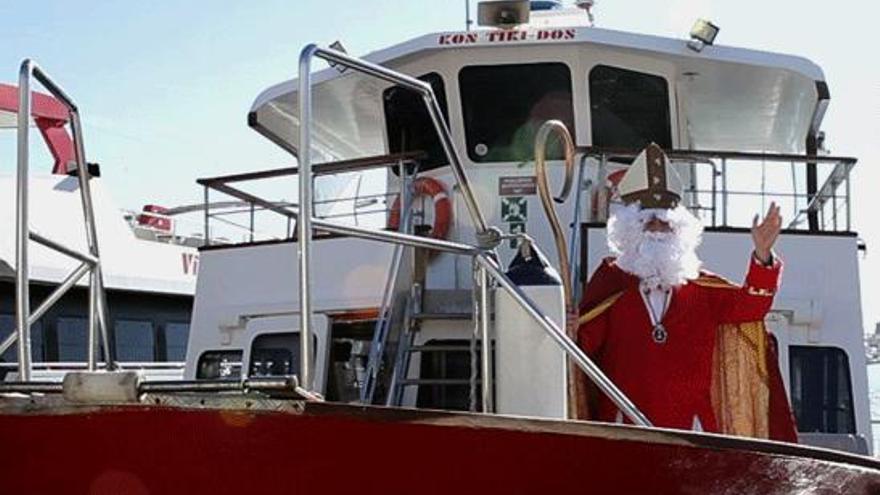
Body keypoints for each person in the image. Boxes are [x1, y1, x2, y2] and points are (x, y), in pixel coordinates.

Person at [576, 143, 798, 442]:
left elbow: (751, 307)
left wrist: (762, 256)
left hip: (693, 432)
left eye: (665, 224)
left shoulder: (702, 289)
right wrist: (571, 326)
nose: (657, 230)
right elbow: (585, 344)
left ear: (679, 231)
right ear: (630, 230)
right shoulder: (611, 280)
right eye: (648, 222)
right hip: (624, 428)